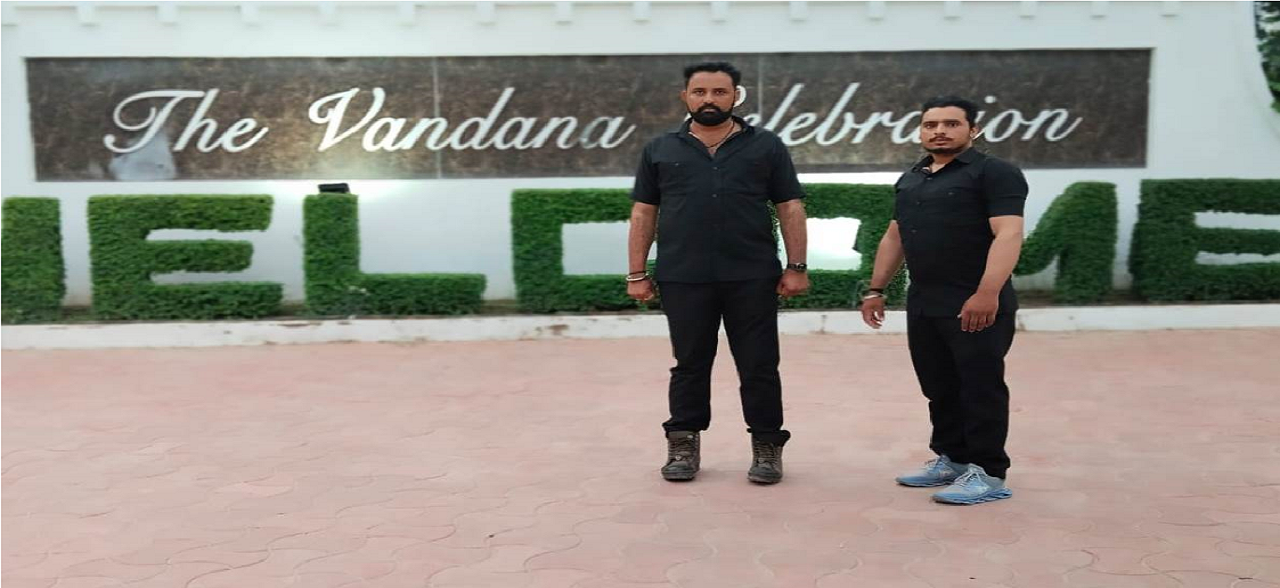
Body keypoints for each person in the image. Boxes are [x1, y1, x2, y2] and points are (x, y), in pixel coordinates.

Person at [626, 61, 809, 484]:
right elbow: (643, 212)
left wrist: (797, 266)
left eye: (719, 92)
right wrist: (636, 273)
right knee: (689, 364)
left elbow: (790, 206)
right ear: (685, 97)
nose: (709, 99)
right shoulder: (659, 149)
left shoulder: (766, 146)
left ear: (735, 96)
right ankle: (683, 445)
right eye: (700, 92)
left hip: (752, 276)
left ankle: (767, 447)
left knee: (759, 365)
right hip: (683, 276)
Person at [860, 95, 1028, 505]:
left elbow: (1009, 233)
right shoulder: (913, 177)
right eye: (930, 124)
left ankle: (988, 473)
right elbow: (895, 236)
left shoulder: (994, 173)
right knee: (939, 386)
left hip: (975, 302)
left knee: (980, 387)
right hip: (924, 301)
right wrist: (876, 288)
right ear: (920, 131)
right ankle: (953, 458)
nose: (939, 131)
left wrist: (986, 293)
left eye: (951, 124)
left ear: (973, 130)